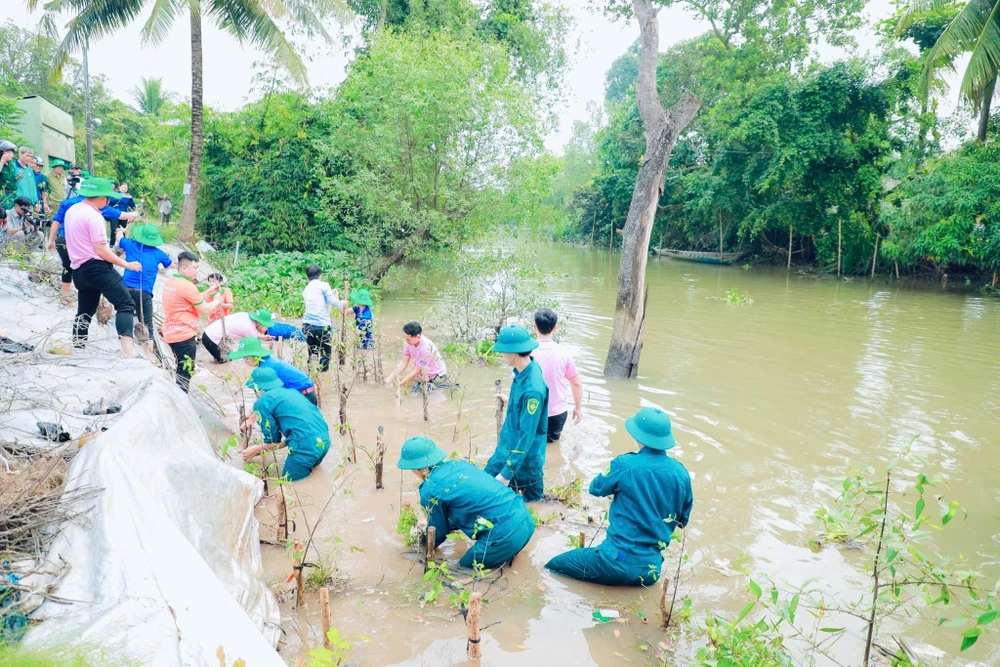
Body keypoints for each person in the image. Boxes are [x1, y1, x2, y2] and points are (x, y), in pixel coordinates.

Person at [545, 407, 693, 587]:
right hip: (651, 571)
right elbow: (682, 521)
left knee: (552, 566)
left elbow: (595, 488)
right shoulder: (681, 474)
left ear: (637, 436)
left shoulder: (624, 464)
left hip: (614, 562)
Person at [398, 436, 536, 570]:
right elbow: (468, 505)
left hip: (505, 536)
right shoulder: (459, 464)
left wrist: (420, 544)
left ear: (417, 468)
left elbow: (438, 532)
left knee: (463, 568)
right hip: (527, 521)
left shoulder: (429, 489)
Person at [62, 178, 141, 358]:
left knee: (85, 311)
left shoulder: (72, 210)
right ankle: (127, 350)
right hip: (97, 268)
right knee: (126, 303)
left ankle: (79, 347)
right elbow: (101, 250)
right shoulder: (94, 216)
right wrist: (127, 264)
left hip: (79, 270)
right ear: (102, 198)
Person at [484, 325, 548, 502]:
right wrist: (511, 401)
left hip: (525, 461)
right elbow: (524, 406)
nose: (501, 355)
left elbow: (527, 437)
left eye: (502, 351)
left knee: (533, 504)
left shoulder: (533, 390)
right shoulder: (524, 370)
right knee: (482, 486)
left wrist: (506, 474)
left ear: (512, 352)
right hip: (506, 448)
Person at [239, 367, 331, 482]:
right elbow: (294, 437)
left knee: (289, 484)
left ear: (258, 388)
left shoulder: (262, 402)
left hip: (305, 447)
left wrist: (257, 449)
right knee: (312, 480)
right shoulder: (292, 392)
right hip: (324, 442)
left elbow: (273, 441)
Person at [47, 193, 139, 305]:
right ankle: (90, 298)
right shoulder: (96, 205)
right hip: (80, 243)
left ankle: (65, 295)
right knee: (86, 269)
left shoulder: (68, 203)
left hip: (63, 239)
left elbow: (57, 221)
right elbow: (121, 215)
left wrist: (51, 240)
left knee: (67, 267)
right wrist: (136, 213)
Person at [162, 251, 225, 391]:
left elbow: (189, 299)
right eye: (195, 268)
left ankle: (178, 393)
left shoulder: (171, 281)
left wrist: (208, 292)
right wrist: (216, 300)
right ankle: (182, 397)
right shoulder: (187, 286)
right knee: (186, 370)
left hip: (171, 332)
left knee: (180, 366)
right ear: (184, 268)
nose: (198, 271)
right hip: (183, 334)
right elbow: (204, 309)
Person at [115, 224, 171, 354]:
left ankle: (126, 348)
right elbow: (169, 264)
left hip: (126, 289)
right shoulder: (159, 253)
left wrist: (122, 230)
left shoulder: (130, 244)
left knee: (125, 312)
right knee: (147, 324)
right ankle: (149, 356)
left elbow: (119, 236)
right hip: (144, 293)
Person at [531, 309, 583, 444]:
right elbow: (576, 383)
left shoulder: (526, 353)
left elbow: (517, 382)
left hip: (531, 409)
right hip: (557, 412)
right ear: (555, 328)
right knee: (551, 445)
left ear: (534, 326)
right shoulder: (563, 352)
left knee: (531, 444)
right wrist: (578, 408)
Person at [228, 337, 318, 405]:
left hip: (304, 394)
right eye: (244, 359)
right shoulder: (267, 361)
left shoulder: (266, 368)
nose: (246, 362)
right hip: (304, 392)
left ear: (256, 356)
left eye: (247, 358)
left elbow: (269, 396)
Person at [301, 264, 344, 372]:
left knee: (312, 353)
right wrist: (342, 303)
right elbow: (331, 300)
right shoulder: (324, 285)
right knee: (325, 354)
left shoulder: (306, 289)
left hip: (307, 326)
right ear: (320, 275)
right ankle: (322, 375)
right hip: (322, 326)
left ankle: (311, 375)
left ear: (307, 277)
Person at [384, 321, 448, 389]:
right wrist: (389, 379)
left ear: (418, 337)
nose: (406, 342)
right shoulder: (409, 343)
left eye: (408, 340)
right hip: (423, 374)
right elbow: (404, 362)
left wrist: (399, 385)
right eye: (405, 339)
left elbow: (417, 371)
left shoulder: (426, 348)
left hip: (436, 376)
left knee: (416, 392)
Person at [201, 308, 272, 364]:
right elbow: (258, 351)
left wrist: (262, 337)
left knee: (224, 359)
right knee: (225, 362)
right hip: (212, 339)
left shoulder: (245, 315)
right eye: (265, 326)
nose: (265, 329)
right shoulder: (249, 328)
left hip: (209, 332)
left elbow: (247, 331)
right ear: (259, 323)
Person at [0, 140, 17, 209]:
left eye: (12, 152)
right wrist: (2, 161)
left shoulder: (11, 164)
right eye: (8, 152)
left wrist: (17, 178)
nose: (11, 155)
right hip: (3, 195)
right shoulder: (1, 163)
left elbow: (11, 179)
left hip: (13, 194)